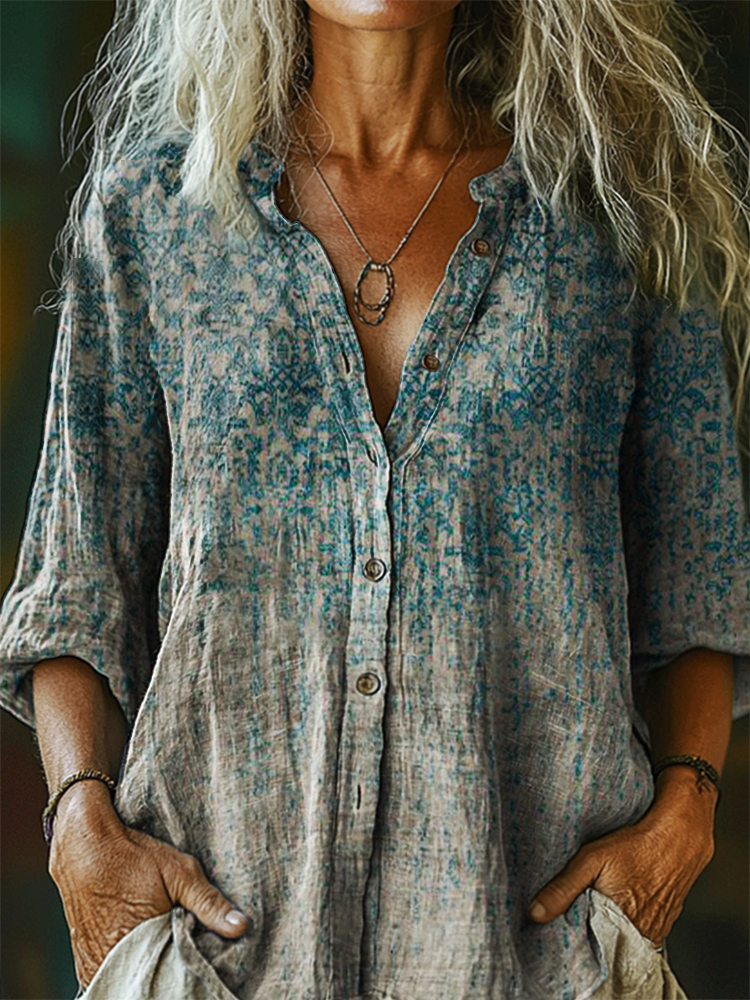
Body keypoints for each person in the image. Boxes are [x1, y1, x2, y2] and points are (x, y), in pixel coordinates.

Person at [1, 1, 749, 998]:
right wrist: (80, 821)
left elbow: (698, 575)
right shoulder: (155, 209)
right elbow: (75, 582)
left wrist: (689, 806)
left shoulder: (619, 211)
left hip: (539, 962)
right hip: (216, 964)